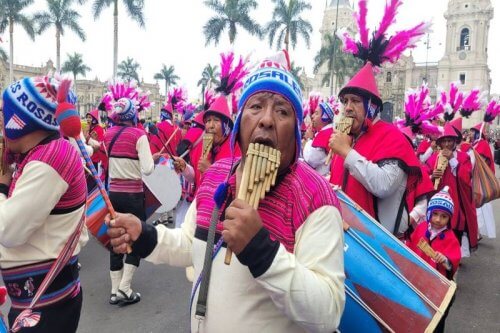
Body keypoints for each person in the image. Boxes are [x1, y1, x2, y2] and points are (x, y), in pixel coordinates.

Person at [107, 51, 345, 332]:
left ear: (295, 131)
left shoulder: (315, 197)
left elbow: (328, 311)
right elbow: (190, 245)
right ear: (240, 123)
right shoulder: (216, 176)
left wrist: (262, 251)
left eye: (282, 111)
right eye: (255, 106)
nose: (266, 120)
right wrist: (145, 236)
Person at [0, 76, 88, 332]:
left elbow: (8, 231)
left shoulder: (50, 158)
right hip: (39, 300)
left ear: (20, 120)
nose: (2, 122)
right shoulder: (40, 154)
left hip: (45, 304)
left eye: (5, 114)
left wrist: (2, 185)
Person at [328, 63, 423, 235]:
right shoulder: (347, 137)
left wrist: (347, 152)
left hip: (374, 241)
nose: (348, 107)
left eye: (355, 101)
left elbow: (384, 185)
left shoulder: (393, 137)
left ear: (371, 107)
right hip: (339, 231)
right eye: (345, 101)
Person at [104, 97, 155, 306]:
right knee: (136, 238)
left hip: (113, 195)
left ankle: (115, 291)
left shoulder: (107, 134)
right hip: (133, 196)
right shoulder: (139, 135)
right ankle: (125, 288)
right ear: (133, 114)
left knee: (115, 239)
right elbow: (148, 169)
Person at [406, 186, 460, 333]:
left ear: (449, 218)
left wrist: (445, 260)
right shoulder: (422, 228)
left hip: (437, 285)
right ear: (429, 213)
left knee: (436, 318)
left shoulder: (450, 238)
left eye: (444, 216)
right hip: (418, 280)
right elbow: (411, 246)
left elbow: (454, 260)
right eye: (435, 214)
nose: (438, 219)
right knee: (418, 314)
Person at [426, 118, 478, 252]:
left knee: (454, 238)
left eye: (450, 141)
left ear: (455, 142)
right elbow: (424, 177)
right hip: (438, 206)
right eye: (444, 141)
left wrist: (453, 161)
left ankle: (453, 260)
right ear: (440, 143)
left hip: (456, 206)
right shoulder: (434, 158)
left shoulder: (463, 158)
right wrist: (432, 177)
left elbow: (466, 180)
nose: (447, 144)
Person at [303, 94, 335, 176]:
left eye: (316, 113)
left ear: (325, 118)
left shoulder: (326, 134)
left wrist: (309, 139)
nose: (312, 116)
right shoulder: (326, 132)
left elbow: (311, 159)